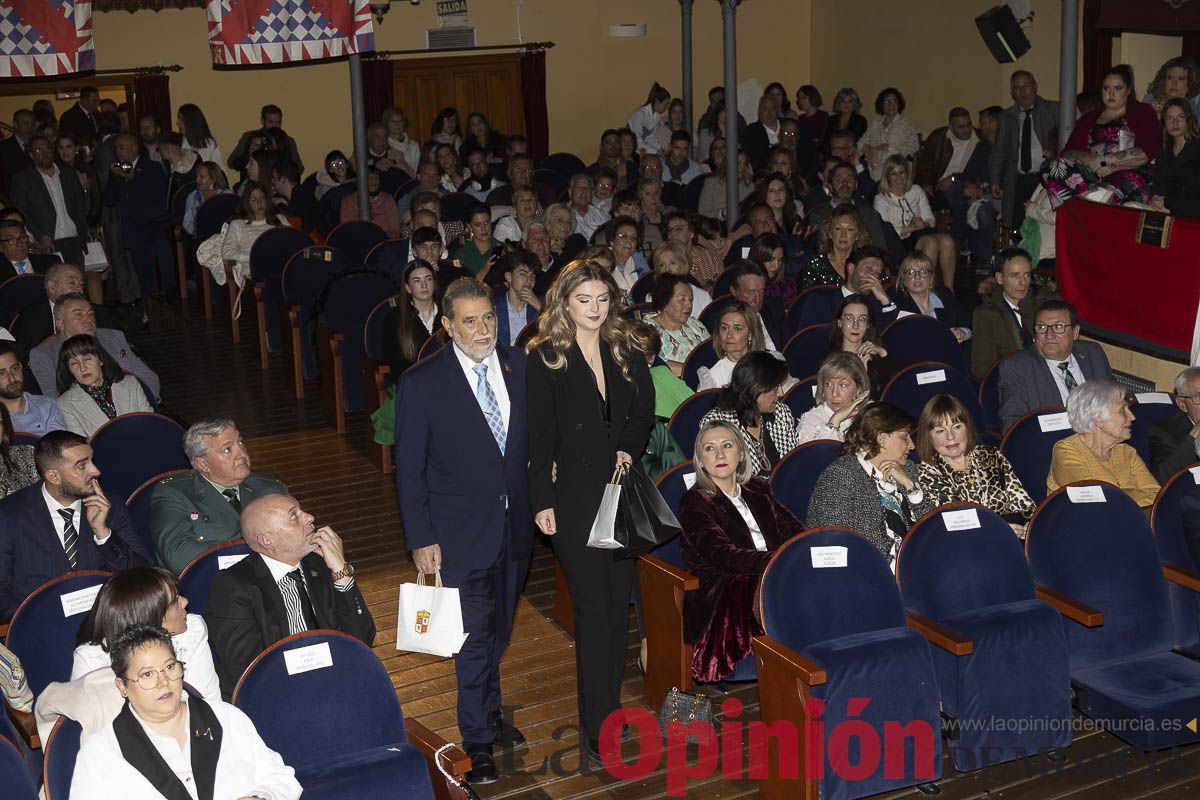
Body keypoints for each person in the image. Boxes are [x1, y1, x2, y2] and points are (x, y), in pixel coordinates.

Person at [396, 277, 532, 783]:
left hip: (514, 526)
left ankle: (491, 715)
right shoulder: (422, 382)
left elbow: (528, 447)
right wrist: (421, 537)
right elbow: (409, 471)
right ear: (447, 325)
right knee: (474, 639)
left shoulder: (520, 368)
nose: (482, 329)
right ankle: (475, 740)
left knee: (498, 631)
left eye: (489, 318)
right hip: (455, 535)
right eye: (470, 320)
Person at [526, 261, 654, 766]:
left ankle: (611, 711)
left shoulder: (625, 347)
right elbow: (538, 436)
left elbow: (643, 411)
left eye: (603, 299)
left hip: (619, 490)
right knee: (593, 609)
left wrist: (627, 448)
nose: (596, 310)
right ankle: (596, 727)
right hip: (573, 496)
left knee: (615, 610)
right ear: (565, 302)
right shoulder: (546, 356)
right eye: (585, 300)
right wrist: (542, 500)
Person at [67, 624, 301, 800]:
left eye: (169, 667)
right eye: (147, 674)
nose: (163, 682)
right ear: (122, 686)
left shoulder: (226, 719)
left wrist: (259, 797)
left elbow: (282, 779)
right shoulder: (102, 752)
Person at [206, 493, 375, 697]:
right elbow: (248, 669)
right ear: (267, 540)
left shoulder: (319, 564)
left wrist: (341, 572)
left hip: (334, 680)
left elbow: (362, 640)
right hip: (276, 693)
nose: (310, 517)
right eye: (294, 516)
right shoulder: (233, 586)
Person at [678, 420, 804, 682]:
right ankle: (796, 652)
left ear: (742, 453)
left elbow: (794, 530)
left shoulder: (758, 489)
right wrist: (781, 563)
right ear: (700, 460)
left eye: (727, 445)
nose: (720, 455)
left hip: (772, 573)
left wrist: (809, 550)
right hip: (724, 588)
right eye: (710, 449)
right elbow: (724, 555)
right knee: (773, 584)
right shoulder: (695, 501)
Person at [0, 430, 150, 619]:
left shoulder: (110, 506)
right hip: (42, 629)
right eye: (82, 466)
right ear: (54, 477)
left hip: (106, 623)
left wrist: (103, 534)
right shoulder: (9, 514)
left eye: (92, 461)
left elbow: (143, 575)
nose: (96, 471)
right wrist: (38, 619)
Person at [149, 419, 287, 574]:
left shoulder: (269, 488)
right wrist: (259, 551)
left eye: (240, 443)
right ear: (203, 464)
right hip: (213, 584)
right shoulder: (173, 493)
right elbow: (178, 555)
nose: (242, 454)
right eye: (227, 450)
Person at [807, 403, 934, 567]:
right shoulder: (840, 476)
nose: (912, 445)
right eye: (905, 437)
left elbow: (931, 529)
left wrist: (912, 488)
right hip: (869, 572)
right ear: (881, 439)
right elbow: (842, 544)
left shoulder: (907, 468)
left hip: (912, 565)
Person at [70, 566, 220, 704]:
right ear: (150, 619)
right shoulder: (93, 664)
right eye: (175, 602)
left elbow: (209, 704)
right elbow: (105, 726)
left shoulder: (190, 632)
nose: (185, 602)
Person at [916, 394, 1035, 537]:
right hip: (967, 548)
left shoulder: (991, 456)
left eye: (957, 426)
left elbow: (1025, 505)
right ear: (928, 437)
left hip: (1012, 541)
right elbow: (957, 523)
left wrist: (1029, 525)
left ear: (967, 427)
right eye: (940, 431)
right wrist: (1000, 529)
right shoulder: (927, 472)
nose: (950, 436)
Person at [1042, 65, 1160, 209]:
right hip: (1092, 171)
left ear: (1128, 90)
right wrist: (1091, 161)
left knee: (1106, 192)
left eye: (1118, 88)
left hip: (1128, 171)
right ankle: (1076, 206)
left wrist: (1104, 162)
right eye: (1106, 88)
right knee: (1052, 166)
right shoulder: (1089, 118)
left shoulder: (1142, 112)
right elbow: (1068, 151)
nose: (1111, 93)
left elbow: (1146, 152)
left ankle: (1085, 205)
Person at [997, 300, 1111, 432]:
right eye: (1042, 327)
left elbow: (1116, 402)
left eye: (1058, 327)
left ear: (1075, 332)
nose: (1049, 335)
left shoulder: (1093, 353)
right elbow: (1014, 426)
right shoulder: (1018, 367)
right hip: (1054, 444)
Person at [1048, 379, 1159, 508]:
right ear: (1098, 419)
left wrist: (1115, 496)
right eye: (1122, 410)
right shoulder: (1067, 451)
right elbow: (1096, 503)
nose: (1132, 417)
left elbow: (1157, 496)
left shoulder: (1127, 452)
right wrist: (1137, 495)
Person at [31, 293, 160, 400]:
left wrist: (142, 400)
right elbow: (52, 399)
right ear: (60, 325)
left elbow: (148, 376)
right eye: (79, 314)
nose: (88, 319)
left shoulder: (114, 337)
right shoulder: (44, 354)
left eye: (91, 313)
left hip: (133, 405)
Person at [101, 133, 176, 300]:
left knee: (164, 278)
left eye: (122, 148)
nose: (118, 152)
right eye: (116, 148)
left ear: (134, 148)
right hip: (134, 232)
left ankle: (170, 310)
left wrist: (133, 179)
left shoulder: (152, 167)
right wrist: (113, 177)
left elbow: (157, 198)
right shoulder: (117, 170)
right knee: (144, 279)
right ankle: (149, 313)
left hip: (155, 230)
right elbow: (108, 200)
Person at [701, 351, 799, 476]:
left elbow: (792, 465)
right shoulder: (718, 424)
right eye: (775, 387)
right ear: (755, 388)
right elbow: (727, 478)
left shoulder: (781, 412)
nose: (781, 393)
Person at [874, 154, 957, 287]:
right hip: (899, 242)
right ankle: (926, 290)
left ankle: (949, 291)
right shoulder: (881, 199)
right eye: (894, 174)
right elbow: (883, 232)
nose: (899, 178)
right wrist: (908, 228)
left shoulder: (916, 191)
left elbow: (930, 218)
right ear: (887, 177)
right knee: (930, 242)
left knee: (947, 240)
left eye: (902, 173)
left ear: (907, 173)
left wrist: (924, 223)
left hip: (922, 233)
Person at [990, 70, 1060, 227]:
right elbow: (999, 151)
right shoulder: (1006, 117)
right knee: (1019, 224)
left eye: (1026, 86)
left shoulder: (1053, 110)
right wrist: (995, 179)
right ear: (1012, 92)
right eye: (1017, 87)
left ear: (1035, 87)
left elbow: (1065, 142)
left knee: (1043, 224)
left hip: (1046, 178)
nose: (1022, 91)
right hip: (1019, 179)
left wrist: (1053, 151)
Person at [970, 248, 1053, 379]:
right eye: (1015, 276)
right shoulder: (987, 314)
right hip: (1015, 382)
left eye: (1027, 275)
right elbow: (981, 369)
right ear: (1000, 278)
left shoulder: (1041, 304)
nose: (1023, 282)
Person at [7, 135, 88, 266]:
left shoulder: (68, 173)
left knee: (78, 283)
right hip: (48, 242)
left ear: (53, 151)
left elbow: (80, 205)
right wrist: (40, 236)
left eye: (47, 149)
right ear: (31, 155)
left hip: (73, 239)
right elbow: (21, 213)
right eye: (38, 151)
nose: (44, 153)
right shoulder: (23, 179)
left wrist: (83, 234)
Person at [54, 333, 153, 438]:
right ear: (69, 370)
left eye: (87, 359)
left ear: (100, 359)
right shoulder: (65, 404)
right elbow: (81, 447)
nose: (82, 368)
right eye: (74, 363)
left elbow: (150, 424)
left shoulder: (131, 384)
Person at [216, 182, 289, 290]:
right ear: (247, 203)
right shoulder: (238, 224)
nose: (259, 203)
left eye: (262, 198)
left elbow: (294, 242)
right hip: (255, 270)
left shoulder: (279, 219)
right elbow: (227, 252)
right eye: (254, 199)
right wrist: (253, 257)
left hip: (280, 266)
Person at [892, 252, 971, 343]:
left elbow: (968, 326)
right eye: (910, 272)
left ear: (931, 278)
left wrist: (962, 333)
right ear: (904, 280)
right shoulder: (898, 305)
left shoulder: (944, 295)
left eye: (923, 272)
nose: (917, 276)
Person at [797, 351, 870, 444]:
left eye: (843, 385)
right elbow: (821, 456)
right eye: (828, 384)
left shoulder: (871, 415)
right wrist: (836, 420)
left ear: (859, 388)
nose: (835, 394)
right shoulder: (811, 421)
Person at [826, 293, 891, 397]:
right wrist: (861, 374)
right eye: (849, 318)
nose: (855, 326)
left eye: (862, 319)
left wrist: (883, 353)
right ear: (839, 322)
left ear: (868, 325)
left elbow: (889, 396)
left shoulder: (877, 358)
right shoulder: (828, 360)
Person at [799, 203, 870, 290]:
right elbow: (808, 299)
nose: (843, 235)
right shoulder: (816, 264)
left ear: (857, 235)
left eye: (850, 229)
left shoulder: (867, 265)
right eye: (838, 228)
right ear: (830, 233)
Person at [1148, 367, 1200, 483]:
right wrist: (1194, 435)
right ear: (1182, 404)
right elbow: (1161, 478)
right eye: (1199, 397)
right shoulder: (1163, 432)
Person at [647, 273, 707, 375]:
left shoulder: (695, 324)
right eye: (682, 299)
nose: (689, 305)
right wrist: (698, 372)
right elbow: (658, 365)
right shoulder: (648, 330)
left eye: (690, 299)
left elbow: (712, 352)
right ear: (665, 301)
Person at [0, 342, 66, 434]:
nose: (12, 378)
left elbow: (59, 445)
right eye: (2, 373)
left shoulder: (46, 406)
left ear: (21, 367)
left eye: (14, 369)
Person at [1150, 98, 1200, 219]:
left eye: (1180, 117)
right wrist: (1154, 199)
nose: (1175, 123)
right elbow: (1158, 186)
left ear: (1188, 120)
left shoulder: (1196, 149)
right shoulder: (1164, 151)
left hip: (1191, 213)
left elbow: (1194, 195)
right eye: (1169, 118)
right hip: (1165, 209)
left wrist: (1167, 202)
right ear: (1164, 123)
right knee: (1132, 208)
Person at [698, 302, 765, 391]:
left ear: (750, 334)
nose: (729, 335)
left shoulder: (768, 363)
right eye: (724, 328)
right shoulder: (713, 377)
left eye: (737, 329)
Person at [494, 250, 540, 346]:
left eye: (532, 276)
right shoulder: (494, 306)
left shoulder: (540, 305)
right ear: (509, 277)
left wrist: (540, 307)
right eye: (523, 274)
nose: (528, 280)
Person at [453, 202, 507, 285]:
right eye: (477, 225)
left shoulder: (503, 248)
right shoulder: (461, 254)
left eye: (486, 223)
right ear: (469, 226)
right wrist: (485, 269)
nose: (484, 229)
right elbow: (462, 287)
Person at [181, 161, 232, 237]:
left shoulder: (227, 196)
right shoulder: (192, 197)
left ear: (213, 179)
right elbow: (187, 223)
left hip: (225, 237)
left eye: (202, 177)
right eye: (197, 176)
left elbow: (235, 221)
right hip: (202, 238)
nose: (197, 180)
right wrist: (198, 225)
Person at [750, 232, 799, 309]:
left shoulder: (787, 285)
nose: (776, 266)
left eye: (779, 260)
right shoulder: (748, 287)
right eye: (771, 260)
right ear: (758, 258)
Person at [699, 151, 754, 220]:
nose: (742, 167)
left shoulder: (749, 185)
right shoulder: (711, 183)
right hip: (719, 226)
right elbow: (702, 213)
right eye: (738, 163)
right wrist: (722, 213)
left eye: (744, 164)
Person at [628, 83, 672, 155]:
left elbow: (649, 137)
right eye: (666, 104)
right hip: (632, 151)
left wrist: (660, 148)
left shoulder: (656, 116)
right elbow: (637, 140)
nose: (667, 107)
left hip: (643, 150)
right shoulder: (639, 114)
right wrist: (655, 152)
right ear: (657, 102)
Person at [744, 94, 784, 171]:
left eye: (773, 108)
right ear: (759, 111)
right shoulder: (751, 132)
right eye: (765, 109)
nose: (769, 112)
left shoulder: (788, 126)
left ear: (778, 110)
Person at [382, 106, 421, 175]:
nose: (397, 124)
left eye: (400, 121)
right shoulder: (383, 145)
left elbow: (416, 169)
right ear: (386, 124)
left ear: (404, 123)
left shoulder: (414, 145)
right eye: (393, 121)